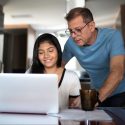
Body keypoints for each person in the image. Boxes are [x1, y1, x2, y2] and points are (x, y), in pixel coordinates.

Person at [62, 7, 125, 107]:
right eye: (71, 31)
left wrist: (95, 97)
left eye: (78, 30)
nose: (73, 36)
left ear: (91, 26)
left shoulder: (112, 36)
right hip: (96, 93)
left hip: (120, 93)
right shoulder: (71, 43)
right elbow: (57, 67)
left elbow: (117, 71)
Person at [26, 33, 81, 110]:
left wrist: (79, 102)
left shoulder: (71, 77)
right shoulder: (29, 73)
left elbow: (74, 108)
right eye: (41, 52)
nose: (46, 56)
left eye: (50, 50)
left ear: (58, 51)